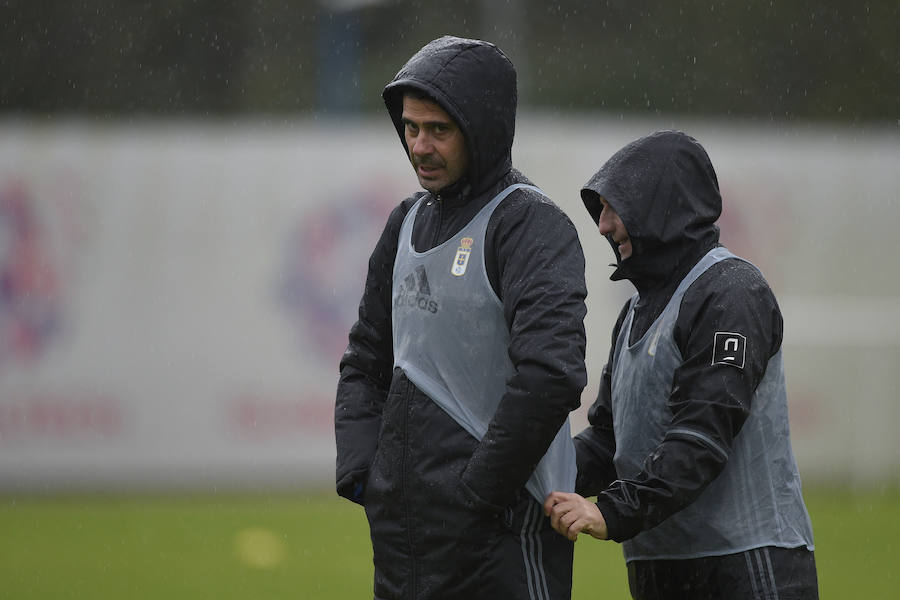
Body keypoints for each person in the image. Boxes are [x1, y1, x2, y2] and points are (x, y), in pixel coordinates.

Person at [335, 36, 588, 600]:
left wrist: (473, 494)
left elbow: (551, 376)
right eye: (410, 128)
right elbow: (366, 358)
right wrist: (365, 472)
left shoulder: (530, 226)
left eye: (439, 130)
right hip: (405, 538)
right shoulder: (404, 222)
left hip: (498, 535)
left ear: (483, 129)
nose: (419, 146)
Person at [544, 130, 818, 599]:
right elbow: (610, 442)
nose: (603, 225)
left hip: (747, 567)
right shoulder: (634, 311)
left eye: (614, 207)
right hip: (659, 567)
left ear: (660, 206)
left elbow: (701, 437)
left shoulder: (731, 291)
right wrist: (532, 478)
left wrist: (613, 511)